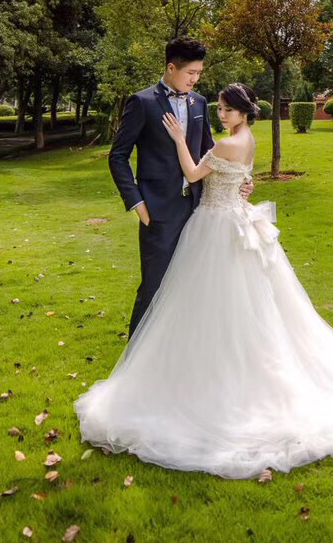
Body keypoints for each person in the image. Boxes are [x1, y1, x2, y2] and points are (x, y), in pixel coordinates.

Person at [75, 82, 333, 479]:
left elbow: (193, 172)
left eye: (227, 110)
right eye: (220, 108)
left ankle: (215, 376)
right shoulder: (247, 141)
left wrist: (178, 139)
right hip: (236, 218)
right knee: (243, 303)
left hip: (216, 226)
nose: (221, 115)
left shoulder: (227, 144)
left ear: (243, 112)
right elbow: (239, 176)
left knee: (213, 300)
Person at [107, 37, 252, 338]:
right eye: (190, 73)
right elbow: (118, 156)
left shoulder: (198, 103)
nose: (195, 79)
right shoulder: (142, 103)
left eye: (199, 73)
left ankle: (180, 350)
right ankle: (136, 355)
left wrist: (240, 182)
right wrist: (137, 204)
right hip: (158, 211)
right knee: (154, 286)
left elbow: (210, 152)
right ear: (171, 68)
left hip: (200, 212)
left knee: (193, 286)